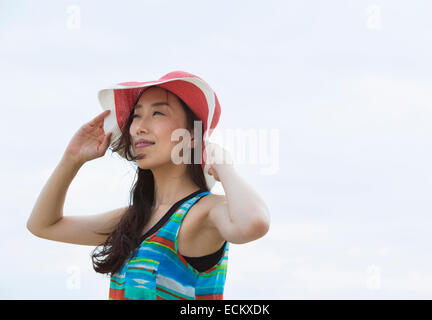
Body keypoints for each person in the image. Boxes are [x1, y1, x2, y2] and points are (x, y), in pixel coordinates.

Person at [27, 71, 270, 300]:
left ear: (192, 134)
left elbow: (254, 223)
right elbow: (43, 225)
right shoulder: (133, 220)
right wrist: (72, 158)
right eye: (136, 116)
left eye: (158, 113)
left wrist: (223, 165)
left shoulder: (203, 212)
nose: (139, 127)